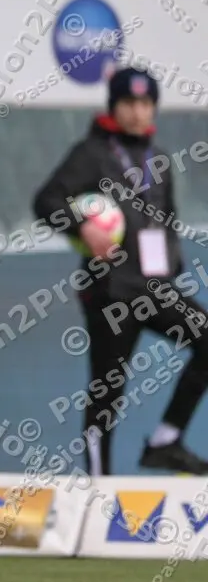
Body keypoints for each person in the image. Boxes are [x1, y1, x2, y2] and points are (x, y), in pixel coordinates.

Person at [33, 66, 208, 476]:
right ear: (114, 105)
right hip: (111, 292)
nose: (138, 112)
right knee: (107, 390)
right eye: (129, 103)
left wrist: (171, 264)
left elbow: (165, 219)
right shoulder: (91, 152)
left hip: (155, 288)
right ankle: (98, 483)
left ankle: (166, 441)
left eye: (146, 104)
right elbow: (46, 201)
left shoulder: (158, 159)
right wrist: (82, 226)